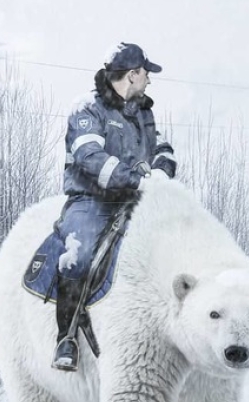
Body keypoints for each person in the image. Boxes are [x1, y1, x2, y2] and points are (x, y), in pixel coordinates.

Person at [52, 42, 177, 371]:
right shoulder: (86, 110)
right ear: (132, 74)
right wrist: (133, 179)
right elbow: (89, 157)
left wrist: (161, 172)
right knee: (76, 257)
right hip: (91, 201)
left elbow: (163, 147)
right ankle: (66, 339)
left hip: (138, 200)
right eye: (146, 74)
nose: (149, 80)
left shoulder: (143, 112)